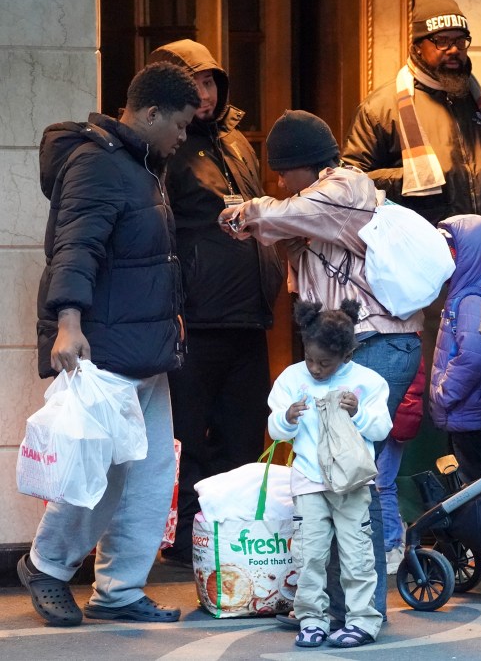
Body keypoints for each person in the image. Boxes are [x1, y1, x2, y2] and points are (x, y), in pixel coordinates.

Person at [219, 109, 422, 627]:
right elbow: (289, 237)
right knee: (335, 475)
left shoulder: (345, 187)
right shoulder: (318, 208)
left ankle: (364, 612)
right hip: (365, 344)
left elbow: (279, 215)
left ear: (305, 166)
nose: (280, 183)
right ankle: (334, 606)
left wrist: (246, 213)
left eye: (283, 172)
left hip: (379, 343)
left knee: (354, 477)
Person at [20, 61, 200, 626]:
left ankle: (119, 591)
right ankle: (47, 566)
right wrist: (67, 323)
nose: (184, 135)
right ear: (149, 114)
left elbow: (144, 260)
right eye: (180, 123)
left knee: (148, 480)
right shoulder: (97, 164)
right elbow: (75, 248)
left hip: (145, 349)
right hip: (103, 353)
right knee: (96, 475)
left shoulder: (141, 164)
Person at [147, 39, 285, 567]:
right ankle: (183, 538)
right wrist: (171, 306)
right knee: (188, 435)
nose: (204, 94)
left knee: (245, 430)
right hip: (194, 319)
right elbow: (158, 233)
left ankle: (229, 531)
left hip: (249, 317)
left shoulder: (237, 144)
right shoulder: (163, 146)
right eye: (194, 83)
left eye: (210, 82)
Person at [341, 0, 481, 252]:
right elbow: (351, 184)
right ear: (417, 46)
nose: (454, 50)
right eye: (442, 41)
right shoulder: (381, 109)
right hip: (420, 256)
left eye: (460, 40)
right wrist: (414, 178)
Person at [268, 299, 389, 649]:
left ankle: (362, 621)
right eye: (310, 360)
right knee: (309, 555)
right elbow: (276, 431)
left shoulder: (369, 382)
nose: (316, 370)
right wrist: (286, 418)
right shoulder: (292, 378)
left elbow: (382, 429)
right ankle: (311, 619)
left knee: (356, 554)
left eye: (326, 363)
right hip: (307, 480)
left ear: (347, 356)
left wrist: (359, 413)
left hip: (352, 483)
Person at [429, 214, 481, 486]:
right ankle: (469, 524)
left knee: (474, 477)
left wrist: (445, 394)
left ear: (467, 255)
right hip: (462, 411)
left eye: (449, 252)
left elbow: (472, 356)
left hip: (465, 410)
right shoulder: (462, 295)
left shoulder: (470, 299)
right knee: (464, 473)